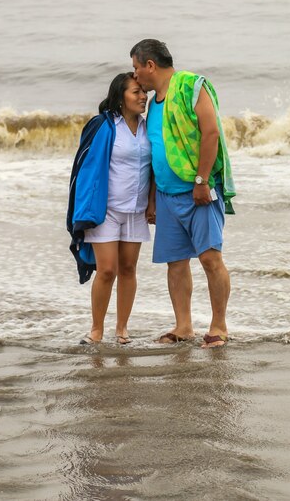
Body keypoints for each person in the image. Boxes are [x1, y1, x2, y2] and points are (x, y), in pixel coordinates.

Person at [130, 39, 235, 348]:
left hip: (197, 190)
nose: (135, 75)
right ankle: (184, 326)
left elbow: (211, 131)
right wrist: (151, 200)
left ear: (150, 65)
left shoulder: (191, 86)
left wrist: (202, 181)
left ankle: (219, 326)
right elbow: (154, 155)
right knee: (175, 263)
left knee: (209, 258)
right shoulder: (153, 106)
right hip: (165, 194)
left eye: (136, 68)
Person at [67, 73, 151, 345]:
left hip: (136, 210)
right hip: (107, 210)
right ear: (121, 96)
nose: (143, 97)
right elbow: (85, 168)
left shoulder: (148, 127)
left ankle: (122, 329)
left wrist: (152, 203)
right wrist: (83, 210)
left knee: (128, 268)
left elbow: (154, 169)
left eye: (143, 92)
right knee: (107, 270)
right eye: (136, 92)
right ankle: (96, 330)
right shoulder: (103, 125)